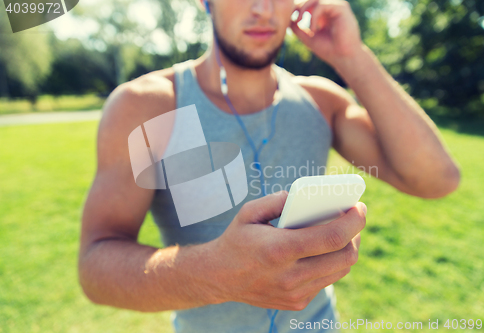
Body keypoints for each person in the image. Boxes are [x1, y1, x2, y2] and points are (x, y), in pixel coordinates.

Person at [78, 0, 460, 332]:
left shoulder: (321, 101)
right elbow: (96, 267)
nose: (262, 9)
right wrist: (219, 275)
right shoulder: (148, 106)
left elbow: (436, 179)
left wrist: (352, 57)